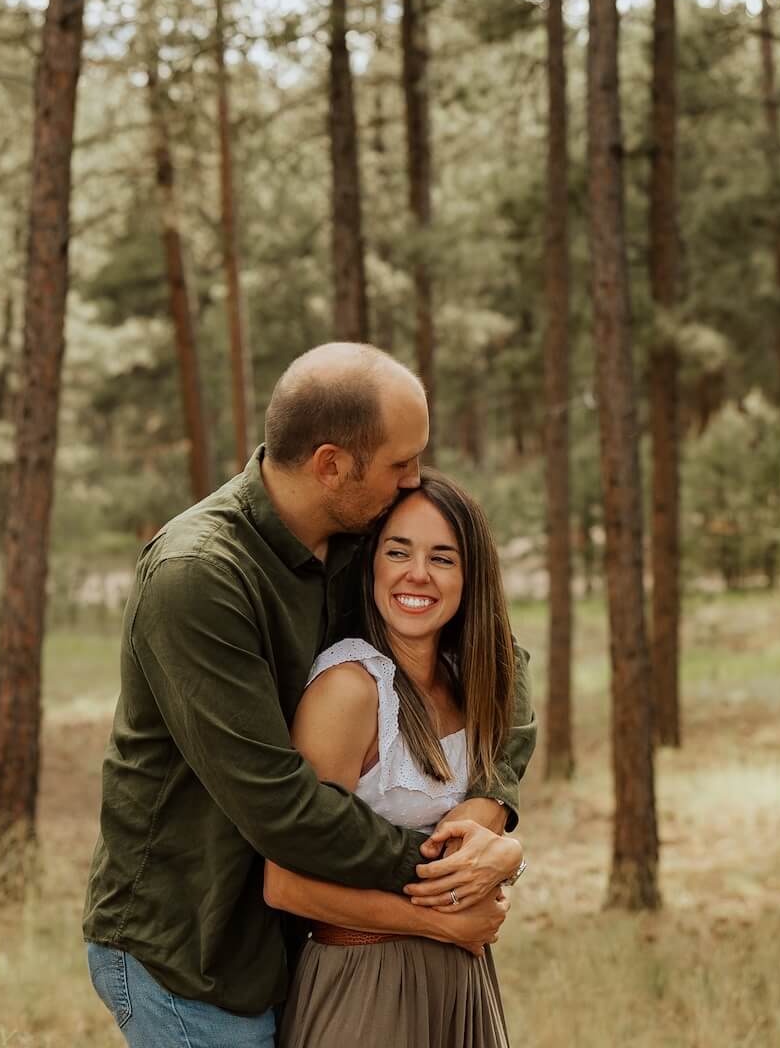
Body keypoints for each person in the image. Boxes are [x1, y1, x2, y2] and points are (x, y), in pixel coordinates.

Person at [82, 342, 535, 1047]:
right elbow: (284, 809)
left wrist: (490, 816)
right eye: (400, 462)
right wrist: (450, 873)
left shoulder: (359, 539)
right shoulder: (198, 576)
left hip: (301, 945)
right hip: (194, 951)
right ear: (331, 465)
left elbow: (499, 656)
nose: (414, 480)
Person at [266, 470, 523, 1047]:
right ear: (372, 565)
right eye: (398, 551)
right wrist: (437, 922)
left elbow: (469, 835)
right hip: (365, 987)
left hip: (463, 984)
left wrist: (510, 856)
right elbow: (286, 884)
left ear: (472, 576)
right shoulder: (351, 689)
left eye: (442, 558)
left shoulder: (468, 683)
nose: (417, 574)